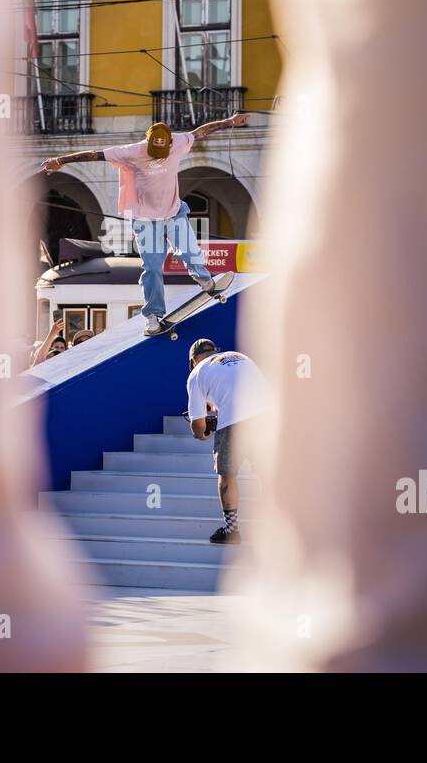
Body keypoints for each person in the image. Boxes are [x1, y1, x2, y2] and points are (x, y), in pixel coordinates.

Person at [40, 114, 249, 335]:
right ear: (147, 142)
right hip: (145, 219)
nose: (157, 155)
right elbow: (95, 155)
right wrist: (61, 160)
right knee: (151, 268)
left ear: (170, 142)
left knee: (190, 251)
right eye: (153, 150)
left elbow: (201, 132)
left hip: (173, 213)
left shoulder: (178, 141)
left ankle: (204, 279)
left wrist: (229, 122)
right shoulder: (132, 151)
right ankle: (152, 315)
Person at [185, 338, 268, 545]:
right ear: (215, 351)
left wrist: (204, 434)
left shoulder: (196, 374)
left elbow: (197, 425)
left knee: (227, 475)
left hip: (234, 421)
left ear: (193, 361)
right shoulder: (240, 357)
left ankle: (231, 530)